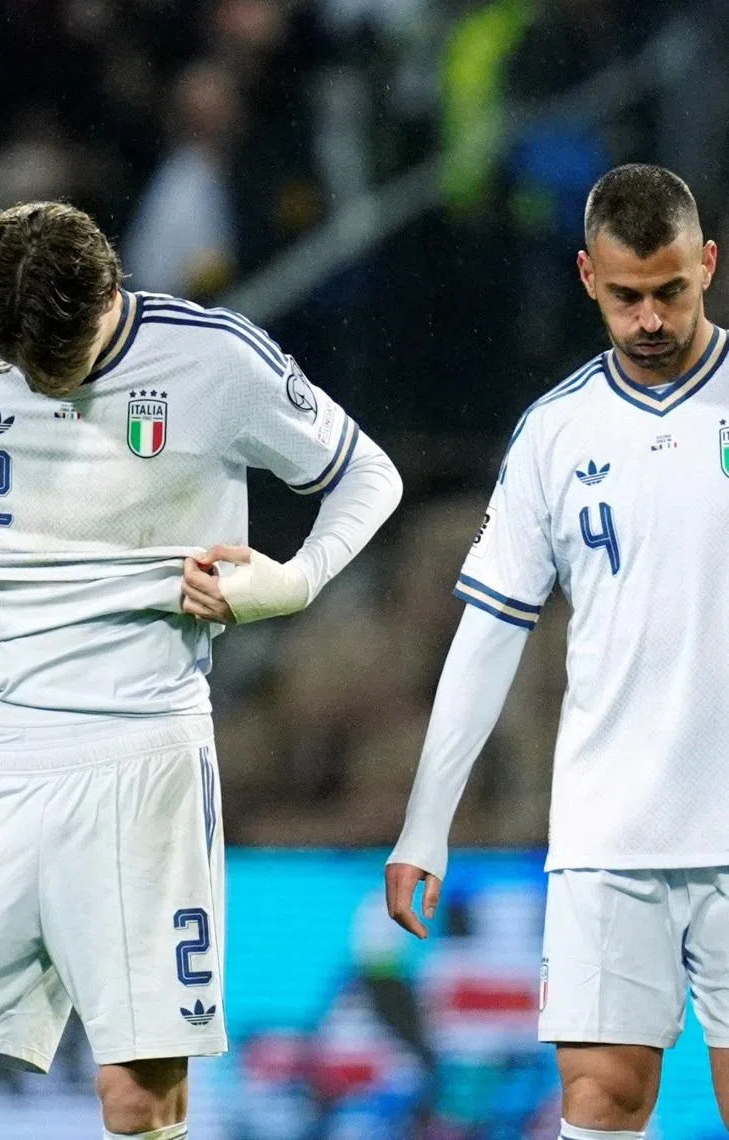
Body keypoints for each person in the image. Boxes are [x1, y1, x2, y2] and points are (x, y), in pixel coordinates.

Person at [0, 200, 403, 1140]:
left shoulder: (216, 360)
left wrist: (294, 582)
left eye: (49, 361)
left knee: (140, 1102)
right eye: (14, 361)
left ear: (110, 293)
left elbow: (368, 475)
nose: (32, 379)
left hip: (142, 760)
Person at [385, 163, 729, 1140]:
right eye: (627, 297)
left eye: (672, 291)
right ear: (587, 277)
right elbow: (490, 632)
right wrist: (425, 823)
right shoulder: (554, 434)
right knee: (601, 1101)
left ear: (708, 265)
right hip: (607, 837)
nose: (651, 318)